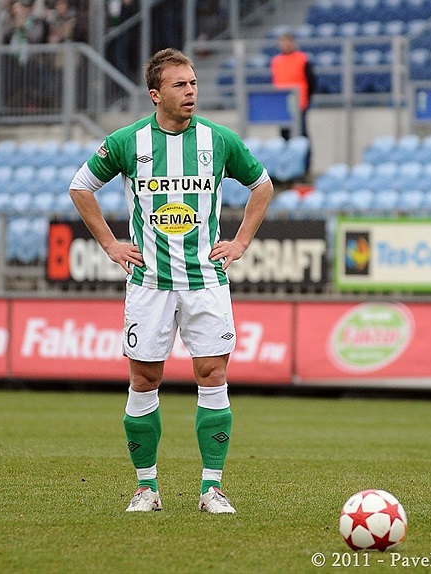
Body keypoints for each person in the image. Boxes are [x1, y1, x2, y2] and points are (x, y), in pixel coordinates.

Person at [69, 48, 274, 515]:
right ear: (155, 93)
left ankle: (211, 489)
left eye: (194, 83)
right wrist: (111, 245)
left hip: (205, 281)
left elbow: (262, 185)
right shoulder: (127, 141)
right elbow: (80, 186)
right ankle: (146, 488)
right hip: (150, 283)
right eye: (180, 85)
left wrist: (240, 242)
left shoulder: (219, 140)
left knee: (213, 375)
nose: (191, 92)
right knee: (144, 378)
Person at [270, 32, 315, 169]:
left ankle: (305, 167)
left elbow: (311, 81)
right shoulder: (276, 61)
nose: (285, 44)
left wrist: (306, 99)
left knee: (301, 136)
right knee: (284, 137)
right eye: (282, 41)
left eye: (287, 41)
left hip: (298, 104)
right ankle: (286, 168)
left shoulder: (302, 59)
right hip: (281, 105)